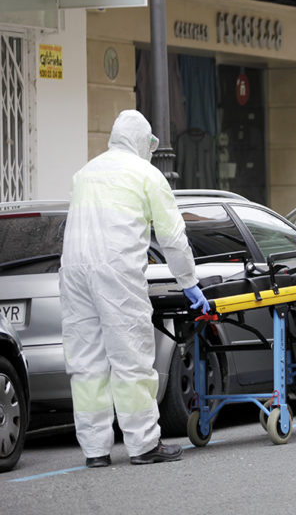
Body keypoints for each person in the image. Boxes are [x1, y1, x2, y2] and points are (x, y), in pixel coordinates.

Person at [60, 110, 210, 467]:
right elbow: (172, 237)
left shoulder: (84, 173)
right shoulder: (146, 174)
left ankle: (95, 450)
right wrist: (189, 282)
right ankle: (143, 444)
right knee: (131, 359)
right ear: (143, 141)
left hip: (74, 272)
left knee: (86, 364)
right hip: (116, 270)